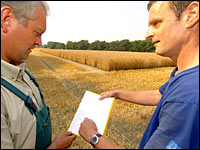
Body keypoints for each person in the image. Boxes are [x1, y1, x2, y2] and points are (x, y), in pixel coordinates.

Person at [78, 1, 199, 149]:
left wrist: (94, 137)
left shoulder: (186, 97)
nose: (147, 34)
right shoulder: (186, 75)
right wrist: (119, 93)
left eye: (156, 23)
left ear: (191, 15)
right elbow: (159, 95)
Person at [1, 1, 76, 149]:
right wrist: (56, 147)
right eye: (37, 33)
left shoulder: (23, 70)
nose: (40, 42)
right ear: (6, 19)